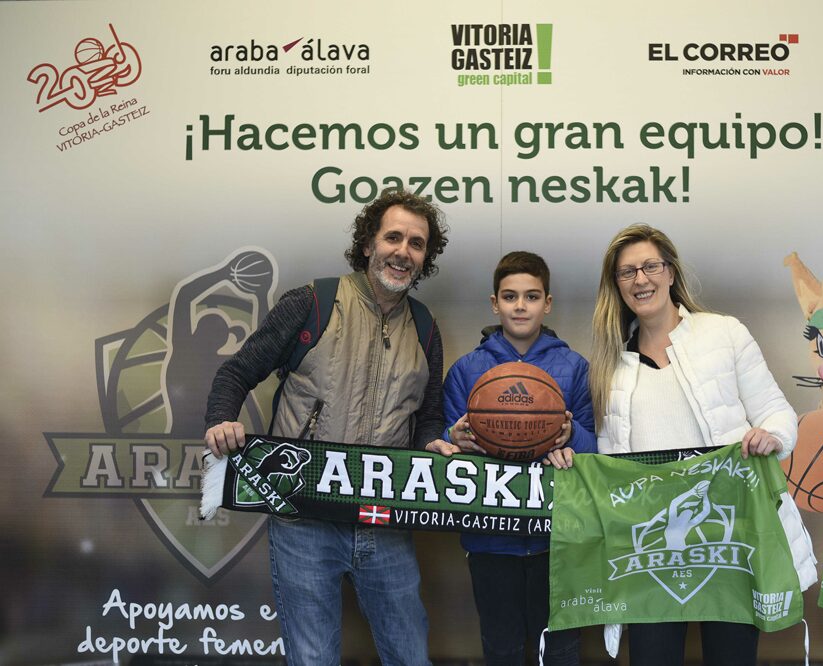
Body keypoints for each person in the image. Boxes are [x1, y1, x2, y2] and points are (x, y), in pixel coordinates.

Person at [203, 189, 451, 666]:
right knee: (313, 658)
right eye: (393, 237)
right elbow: (235, 373)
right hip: (304, 517)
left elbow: (428, 415)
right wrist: (220, 420)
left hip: (386, 519)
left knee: (410, 655)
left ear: (425, 257)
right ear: (367, 244)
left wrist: (433, 443)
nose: (403, 251)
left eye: (416, 244)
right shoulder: (312, 302)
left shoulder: (425, 327)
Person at [589, 224, 797, 666]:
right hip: (652, 551)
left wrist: (773, 436)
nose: (640, 280)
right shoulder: (609, 366)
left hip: (730, 537)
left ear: (669, 272)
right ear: (616, 286)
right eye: (627, 273)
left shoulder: (724, 333)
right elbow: (608, 465)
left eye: (650, 267)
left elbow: (778, 412)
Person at [435, 251, 597, 665]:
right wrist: (450, 437)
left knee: (559, 648)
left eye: (531, 296)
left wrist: (569, 434)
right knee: (501, 647)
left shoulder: (575, 367)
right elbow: (445, 452)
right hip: (490, 535)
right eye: (510, 297)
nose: (520, 306)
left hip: (557, 535)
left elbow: (595, 444)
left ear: (548, 302)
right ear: (495, 303)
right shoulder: (466, 370)